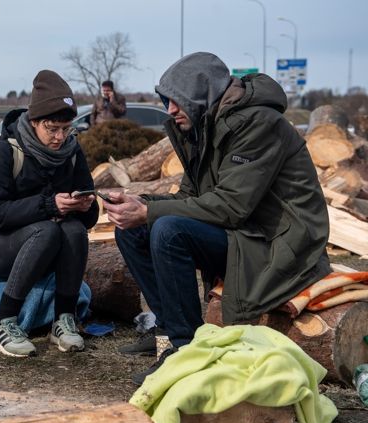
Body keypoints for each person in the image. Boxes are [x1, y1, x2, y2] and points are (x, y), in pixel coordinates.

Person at [106, 52, 330, 384]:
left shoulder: (258, 123)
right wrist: (141, 203)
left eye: (175, 101)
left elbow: (231, 206)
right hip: (244, 232)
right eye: (166, 101)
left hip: (278, 243)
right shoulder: (205, 125)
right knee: (133, 230)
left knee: (167, 229)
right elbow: (189, 197)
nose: (169, 110)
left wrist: (151, 211)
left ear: (200, 95)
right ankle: (167, 330)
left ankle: (188, 352)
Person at [0, 70, 99, 357]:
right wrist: (49, 205)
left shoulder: (73, 152)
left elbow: (89, 218)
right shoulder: (6, 151)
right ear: (34, 122)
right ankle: (3, 321)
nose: (59, 137)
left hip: (46, 248)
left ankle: (64, 320)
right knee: (48, 228)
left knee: (75, 229)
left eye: (66, 129)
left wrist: (87, 206)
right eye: (52, 129)